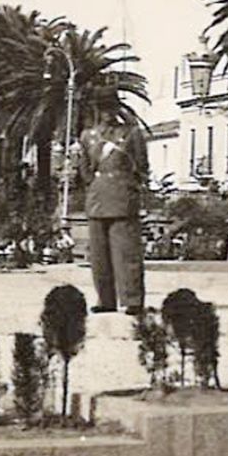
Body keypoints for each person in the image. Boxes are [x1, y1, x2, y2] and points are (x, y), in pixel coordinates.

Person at [79, 115, 148, 314]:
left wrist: (127, 184)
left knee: (126, 252)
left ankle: (132, 299)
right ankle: (105, 299)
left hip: (123, 198)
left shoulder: (131, 133)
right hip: (97, 200)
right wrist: (96, 183)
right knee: (99, 256)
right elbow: (84, 170)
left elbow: (142, 166)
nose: (106, 113)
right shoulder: (88, 136)